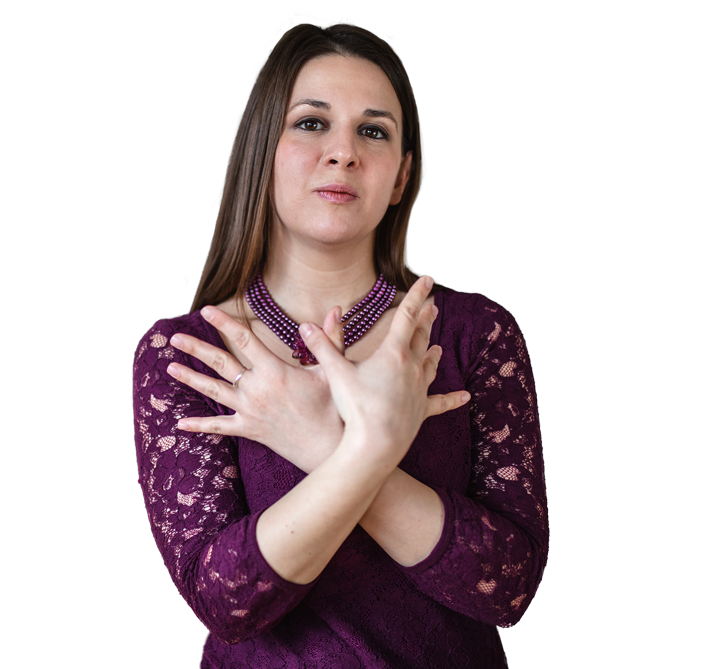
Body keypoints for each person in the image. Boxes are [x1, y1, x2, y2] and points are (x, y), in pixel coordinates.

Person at [132, 21, 548, 669]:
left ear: (403, 175)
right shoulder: (186, 354)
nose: (344, 152)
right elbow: (224, 600)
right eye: (311, 123)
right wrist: (364, 449)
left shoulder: (477, 335)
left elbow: (510, 585)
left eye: (374, 131)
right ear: (261, 150)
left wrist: (323, 443)